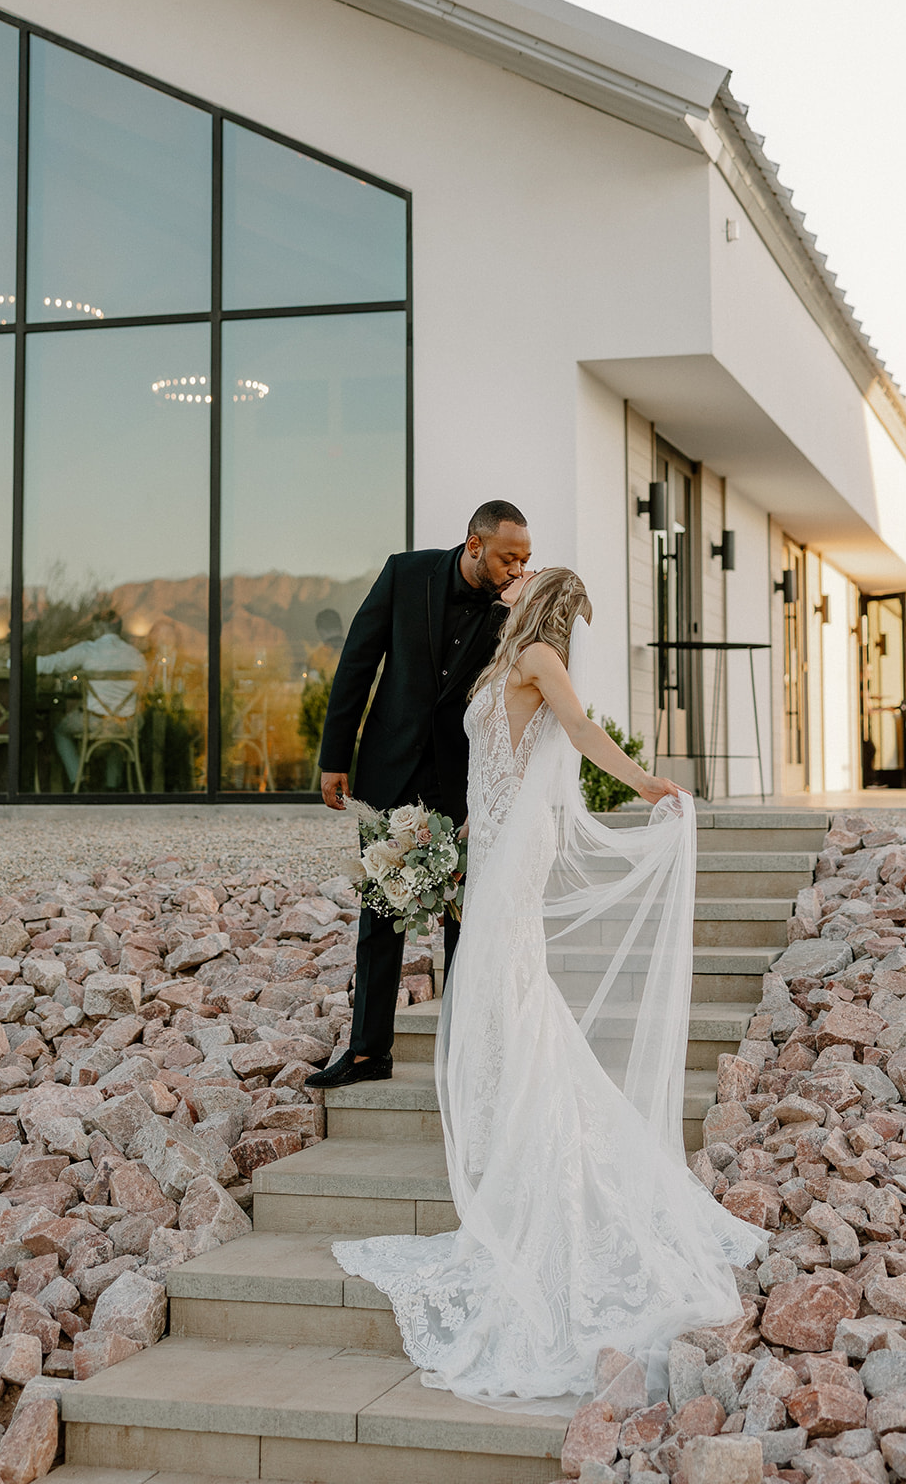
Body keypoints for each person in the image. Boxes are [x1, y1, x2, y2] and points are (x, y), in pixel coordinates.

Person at [332, 566, 766, 1411]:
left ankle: (538, 1162)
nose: (513, 579)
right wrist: (444, 839)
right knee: (497, 995)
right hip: (487, 838)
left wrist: (648, 785)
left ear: (540, 605)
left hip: (518, 846)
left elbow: (580, 731)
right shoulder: (502, 664)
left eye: (526, 577)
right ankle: (510, 1150)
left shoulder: (537, 657)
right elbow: (495, 765)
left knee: (505, 988)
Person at [308, 501, 532, 1089]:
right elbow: (357, 661)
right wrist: (335, 756)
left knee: (465, 915)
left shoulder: (517, 608)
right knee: (381, 914)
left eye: (526, 559)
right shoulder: (406, 574)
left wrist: (519, 613)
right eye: (510, 557)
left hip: (464, 778)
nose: (518, 568)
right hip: (389, 768)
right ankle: (366, 1053)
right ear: (475, 544)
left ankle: (464, 1053)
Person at [36, 620, 145, 789]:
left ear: (99, 628)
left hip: (94, 722)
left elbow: (54, 663)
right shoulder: (136, 655)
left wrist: (17, 663)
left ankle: (78, 781)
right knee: (117, 734)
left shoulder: (89, 650)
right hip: (128, 724)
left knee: (60, 731)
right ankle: (112, 786)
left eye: (93, 628)